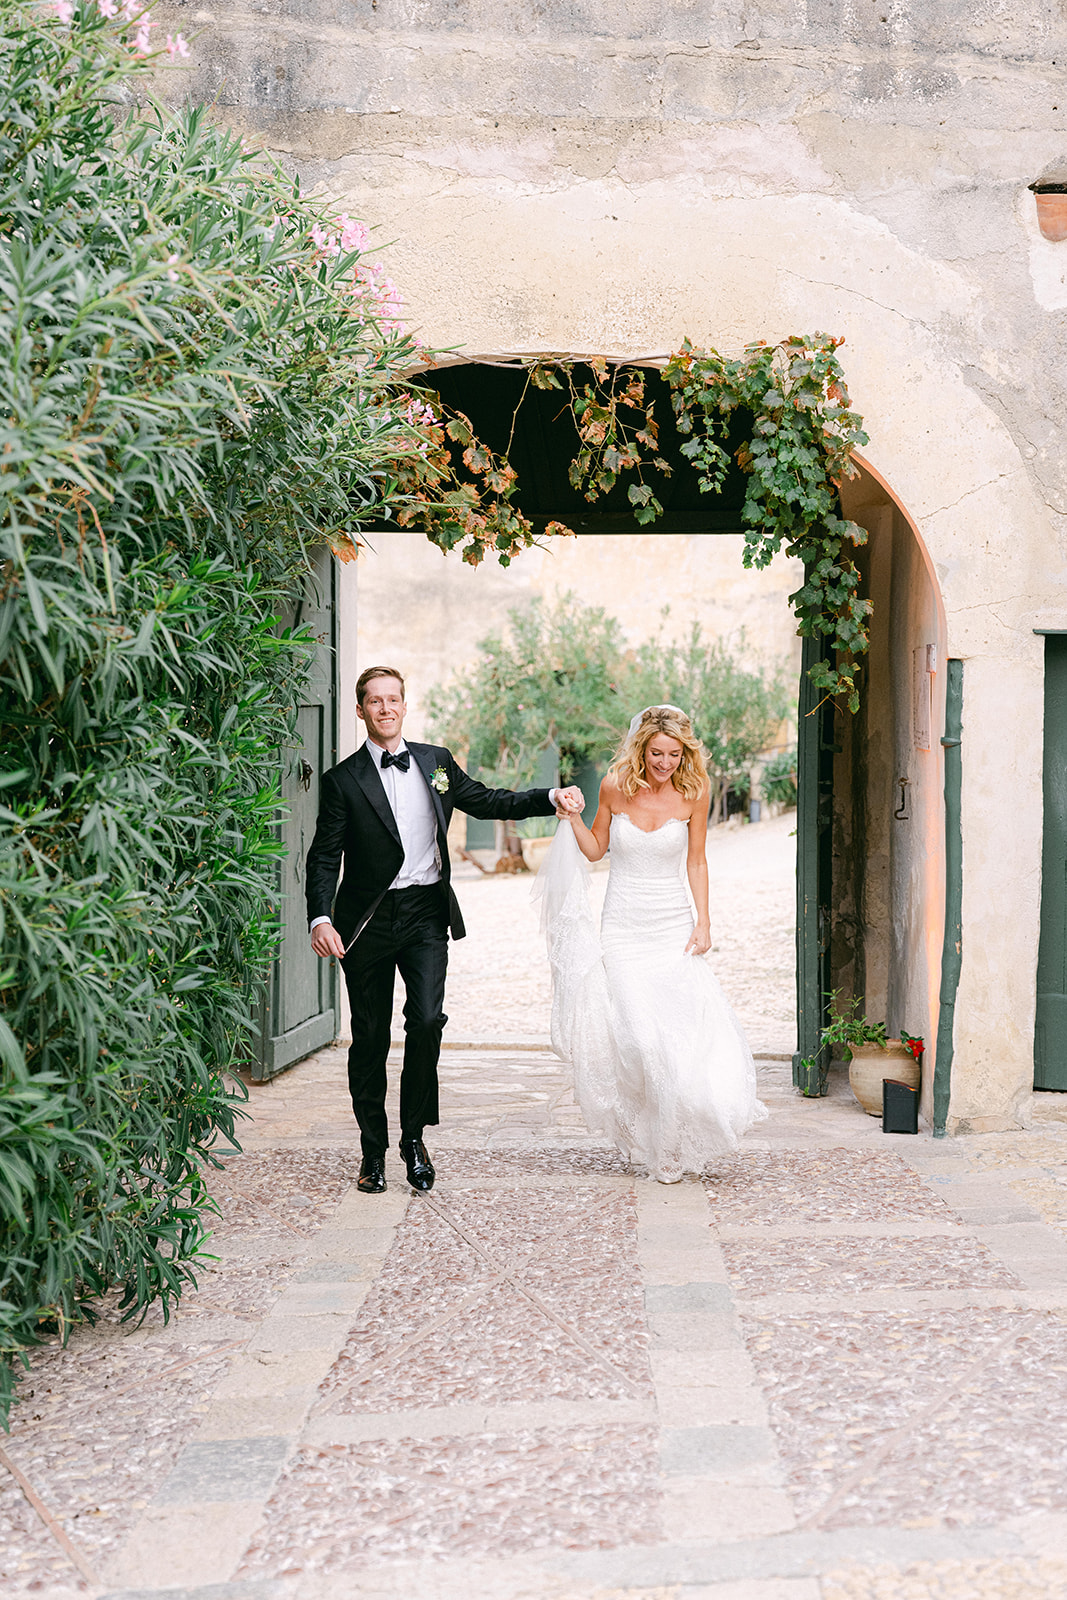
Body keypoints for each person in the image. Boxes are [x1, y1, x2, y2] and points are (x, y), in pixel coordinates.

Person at [306, 666, 583, 1195]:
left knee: (427, 1021)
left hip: (425, 914)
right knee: (368, 1039)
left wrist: (548, 797)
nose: (386, 709)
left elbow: (489, 800)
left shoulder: (435, 761)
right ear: (361, 711)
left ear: (404, 706)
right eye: (375, 701)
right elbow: (324, 857)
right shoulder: (343, 780)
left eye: (394, 700)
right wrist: (321, 917)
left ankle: (413, 1139)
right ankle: (372, 1152)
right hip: (364, 921)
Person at [536, 704, 766, 1182]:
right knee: (639, 1038)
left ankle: (667, 1148)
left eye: (675, 754)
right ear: (641, 749)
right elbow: (596, 849)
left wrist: (704, 921)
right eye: (657, 753)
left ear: (686, 753)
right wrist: (572, 819)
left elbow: (697, 861)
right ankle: (648, 1132)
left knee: (675, 1039)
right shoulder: (615, 787)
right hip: (622, 928)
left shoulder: (694, 792)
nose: (665, 763)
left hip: (671, 927)